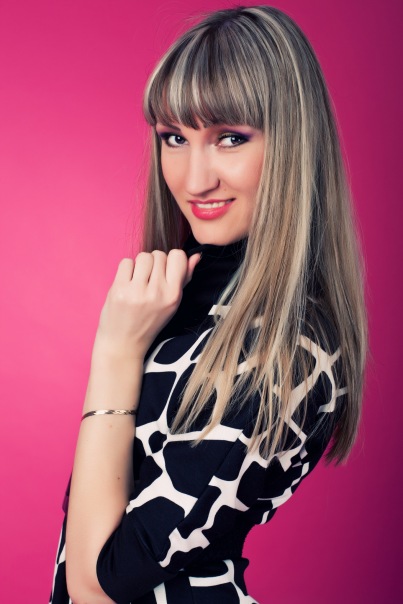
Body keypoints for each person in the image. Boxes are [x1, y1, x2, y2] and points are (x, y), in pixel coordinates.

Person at [49, 5, 367, 603]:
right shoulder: (171, 297)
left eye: (230, 138)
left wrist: (115, 352)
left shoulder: (291, 350)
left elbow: (96, 587)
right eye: (175, 137)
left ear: (293, 145)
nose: (194, 180)